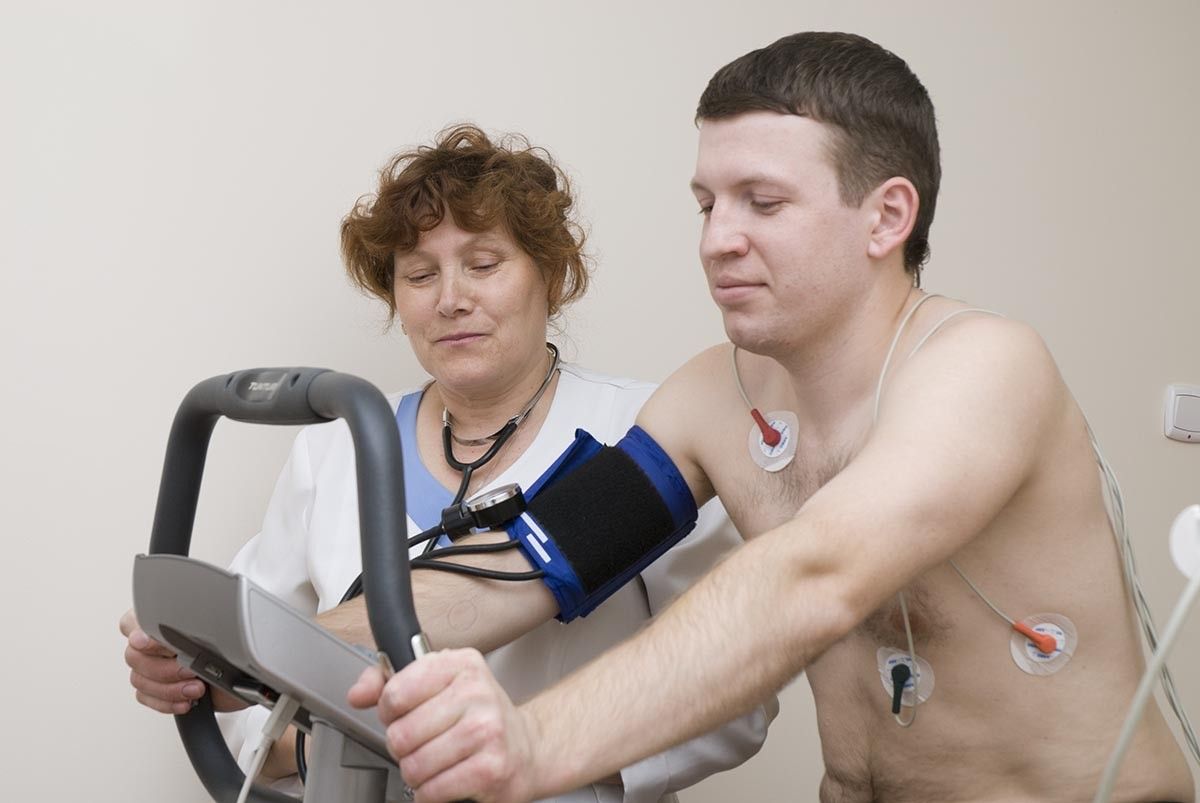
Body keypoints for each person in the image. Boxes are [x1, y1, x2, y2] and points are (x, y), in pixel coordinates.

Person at [347, 33, 1197, 803]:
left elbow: (813, 574)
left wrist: (535, 741)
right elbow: (529, 564)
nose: (717, 239)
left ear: (887, 217)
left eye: (762, 201)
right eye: (707, 203)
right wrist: (281, 650)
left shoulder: (984, 365)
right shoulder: (715, 396)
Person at [119, 123, 776, 802]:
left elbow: (733, 692)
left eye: (484, 264)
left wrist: (523, 747)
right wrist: (201, 664)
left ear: (550, 276)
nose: (450, 299)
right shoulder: (335, 446)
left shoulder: (647, 433)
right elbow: (245, 710)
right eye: (420, 275)